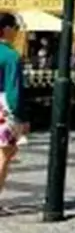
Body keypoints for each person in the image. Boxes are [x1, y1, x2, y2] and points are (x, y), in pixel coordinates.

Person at [0, 13, 28, 209]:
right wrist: (21, 117)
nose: (17, 32)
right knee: (5, 154)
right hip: (3, 108)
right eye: (16, 28)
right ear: (7, 29)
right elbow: (13, 90)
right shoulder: (11, 56)